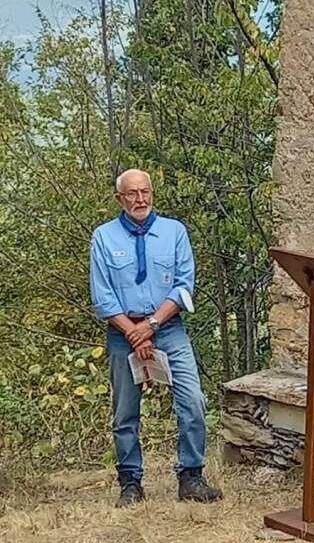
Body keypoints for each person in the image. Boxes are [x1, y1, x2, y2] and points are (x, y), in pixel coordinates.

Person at [89, 169, 223, 507]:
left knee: (194, 402)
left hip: (168, 328)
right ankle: (130, 482)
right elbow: (102, 297)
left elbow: (183, 287)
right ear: (120, 198)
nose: (140, 199)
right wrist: (135, 333)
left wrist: (150, 325)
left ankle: (191, 476)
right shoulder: (103, 238)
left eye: (145, 192)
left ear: (152, 193)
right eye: (132, 194)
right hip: (123, 333)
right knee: (125, 413)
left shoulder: (174, 232)